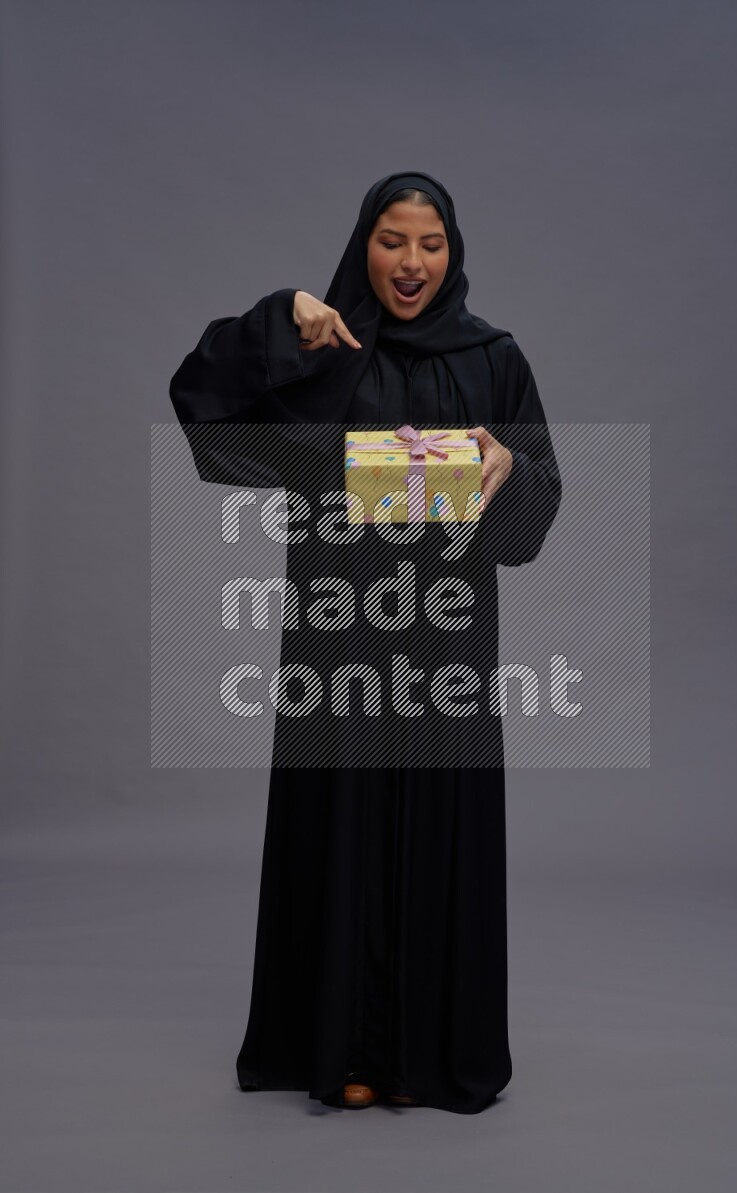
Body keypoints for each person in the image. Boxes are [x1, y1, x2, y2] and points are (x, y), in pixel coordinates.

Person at [168, 171, 562, 1113]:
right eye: (392, 241)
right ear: (364, 243)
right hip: (338, 643)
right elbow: (205, 420)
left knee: (441, 827)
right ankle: (340, 1044)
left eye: (430, 244)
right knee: (336, 826)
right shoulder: (325, 348)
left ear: (453, 253)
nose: (411, 263)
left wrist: (511, 470)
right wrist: (276, 320)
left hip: (448, 653)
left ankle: (427, 1055)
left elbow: (536, 511)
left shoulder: (495, 358)